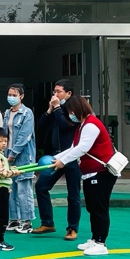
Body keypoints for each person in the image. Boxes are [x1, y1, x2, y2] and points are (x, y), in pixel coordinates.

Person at [48, 94, 118, 256]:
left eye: (71, 111)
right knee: (92, 207)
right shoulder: (83, 125)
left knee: (99, 208)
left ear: (79, 109)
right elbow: (74, 147)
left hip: (101, 172)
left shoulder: (91, 125)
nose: (70, 114)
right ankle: (94, 239)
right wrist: (56, 158)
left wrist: (63, 161)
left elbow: (82, 148)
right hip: (90, 173)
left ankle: (101, 242)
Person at [34, 78, 83, 239]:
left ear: (68, 93)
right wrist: (50, 110)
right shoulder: (55, 109)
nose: (55, 94)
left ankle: (72, 228)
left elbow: (66, 125)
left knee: (73, 194)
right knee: (41, 186)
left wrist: (56, 108)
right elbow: (40, 127)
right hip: (55, 156)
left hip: (71, 156)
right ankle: (47, 222)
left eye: (58, 91)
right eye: (54, 91)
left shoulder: (75, 108)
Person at [4, 85, 36, 235]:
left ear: (21, 96)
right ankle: (14, 219)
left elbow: (25, 136)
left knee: (24, 189)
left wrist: (14, 153)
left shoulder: (27, 113)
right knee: (11, 188)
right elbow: (4, 134)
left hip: (23, 156)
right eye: (9, 94)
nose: (11, 97)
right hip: (8, 154)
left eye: (14, 95)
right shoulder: (7, 113)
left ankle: (26, 221)